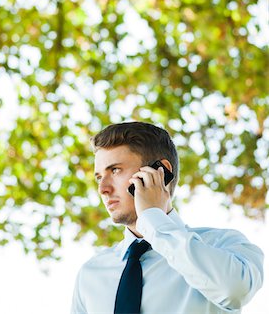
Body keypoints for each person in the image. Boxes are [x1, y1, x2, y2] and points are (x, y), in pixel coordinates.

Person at [70, 122, 264, 314]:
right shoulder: (91, 273)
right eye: (98, 177)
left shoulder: (222, 244)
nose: (103, 188)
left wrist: (152, 219)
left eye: (115, 170)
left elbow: (234, 291)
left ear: (160, 172)